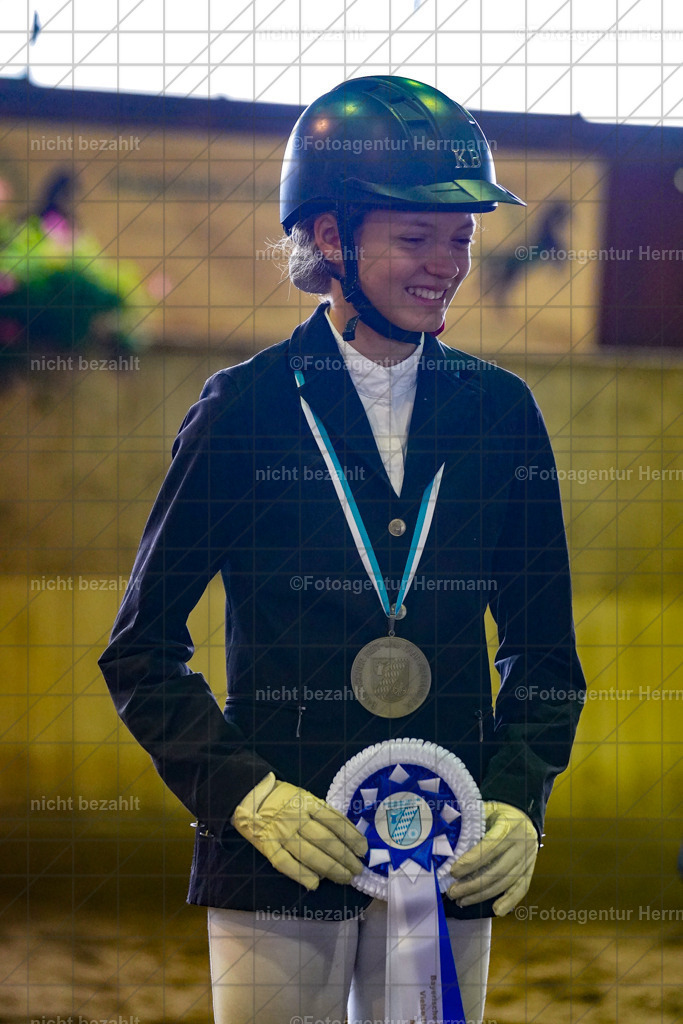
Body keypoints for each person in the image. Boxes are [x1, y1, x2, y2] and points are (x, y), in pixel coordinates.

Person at [99, 75, 586, 1024]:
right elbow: (142, 652)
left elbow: (544, 653)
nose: (446, 264)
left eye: (461, 238)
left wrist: (519, 801)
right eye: (415, 237)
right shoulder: (243, 409)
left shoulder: (503, 415)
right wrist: (245, 798)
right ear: (329, 238)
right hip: (282, 851)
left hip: (451, 841)